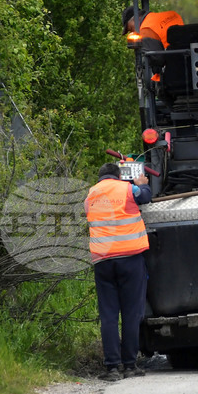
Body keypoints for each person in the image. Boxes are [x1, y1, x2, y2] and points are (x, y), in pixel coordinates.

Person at [85, 162, 153, 381]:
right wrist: (142, 184)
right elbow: (144, 197)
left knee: (109, 315)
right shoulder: (126, 188)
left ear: (100, 177)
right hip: (130, 259)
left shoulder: (90, 195)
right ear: (118, 176)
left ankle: (112, 367)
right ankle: (130, 365)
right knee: (131, 313)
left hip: (103, 262)